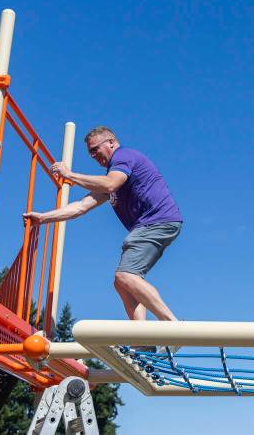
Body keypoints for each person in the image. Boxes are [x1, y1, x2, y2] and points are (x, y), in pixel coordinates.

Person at [23, 126, 183, 323]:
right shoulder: (113, 174)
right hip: (154, 224)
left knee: (126, 275)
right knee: (123, 283)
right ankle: (143, 342)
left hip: (156, 221)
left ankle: (172, 326)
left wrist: (69, 174)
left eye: (95, 149)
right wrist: (43, 218)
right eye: (90, 153)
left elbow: (109, 184)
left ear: (111, 142)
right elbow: (80, 206)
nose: (93, 156)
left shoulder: (123, 157)